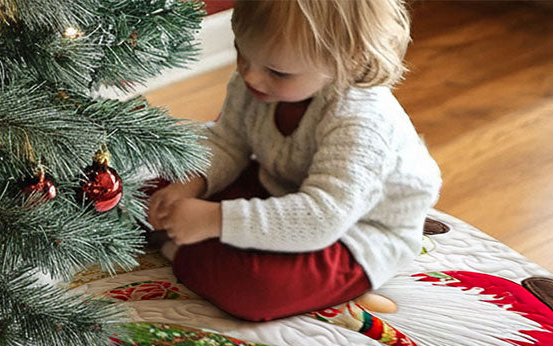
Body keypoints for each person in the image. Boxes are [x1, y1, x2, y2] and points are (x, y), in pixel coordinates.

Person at [147, 0, 441, 322]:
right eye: (241, 52)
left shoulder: (362, 119)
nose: (251, 76)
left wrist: (214, 220)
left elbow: (322, 217)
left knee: (257, 289)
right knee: (151, 189)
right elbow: (227, 142)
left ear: (348, 60)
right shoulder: (257, 78)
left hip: (355, 230)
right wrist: (190, 185)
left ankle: (181, 249)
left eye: (277, 72)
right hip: (280, 186)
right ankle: (198, 245)